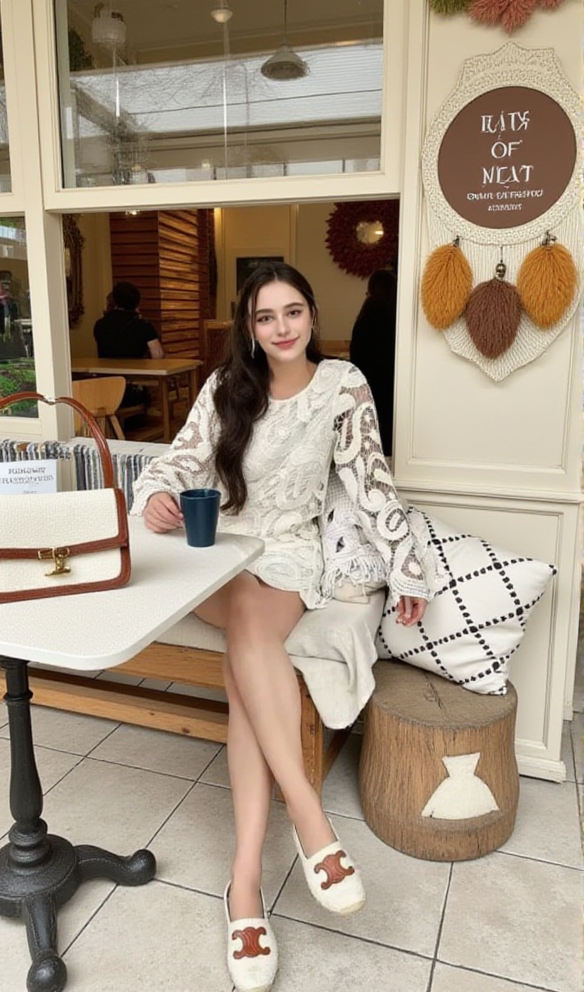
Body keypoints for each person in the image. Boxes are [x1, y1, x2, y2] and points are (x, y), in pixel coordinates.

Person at [130, 262, 432, 992]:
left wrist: (407, 568)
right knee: (246, 629)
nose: (282, 327)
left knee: (248, 652)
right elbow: (175, 461)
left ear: (311, 314)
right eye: (265, 317)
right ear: (250, 326)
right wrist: (158, 495)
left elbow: (371, 483)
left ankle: (244, 886)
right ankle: (308, 817)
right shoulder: (224, 387)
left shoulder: (344, 385)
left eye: (292, 311)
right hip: (214, 553)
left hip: (288, 557)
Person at [349, 267, 397, 456]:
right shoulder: (398, 314)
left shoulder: (367, 314)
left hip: (368, 381)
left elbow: (356, 350)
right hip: (393, 382)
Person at [93, 281, 164, 360]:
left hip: (106, 367)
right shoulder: (144, 325)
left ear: (115, 301)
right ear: (136, 302)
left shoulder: (100, 324)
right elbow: (158, 355)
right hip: (135, 367)